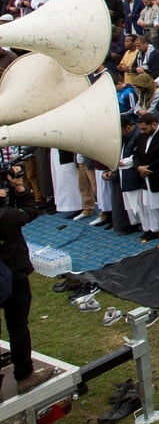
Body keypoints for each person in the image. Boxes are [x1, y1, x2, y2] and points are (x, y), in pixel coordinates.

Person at [0, 164, 52, 392]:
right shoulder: (8, 217)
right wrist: (19, 186)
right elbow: (30, 210)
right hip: (14, 276)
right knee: (18, 327)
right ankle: (24, 375)